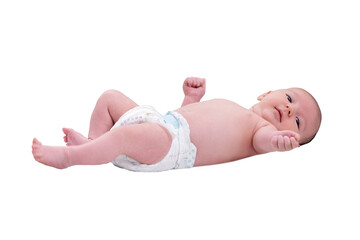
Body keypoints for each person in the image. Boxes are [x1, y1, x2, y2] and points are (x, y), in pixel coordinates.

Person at [32, 77, 322, 171]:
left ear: (292, 138)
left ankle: (70, 157)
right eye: (289, 98)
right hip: (164, 121)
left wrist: (277, 143)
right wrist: (190, 98)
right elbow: (188, 120)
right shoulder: (237, 110)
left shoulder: (262, 132)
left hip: (170, 146)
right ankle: (95, 142)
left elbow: (262, 144)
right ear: (265, 94)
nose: (288, 107)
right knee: (110, 98)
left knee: (124, 138)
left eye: (297, 120)